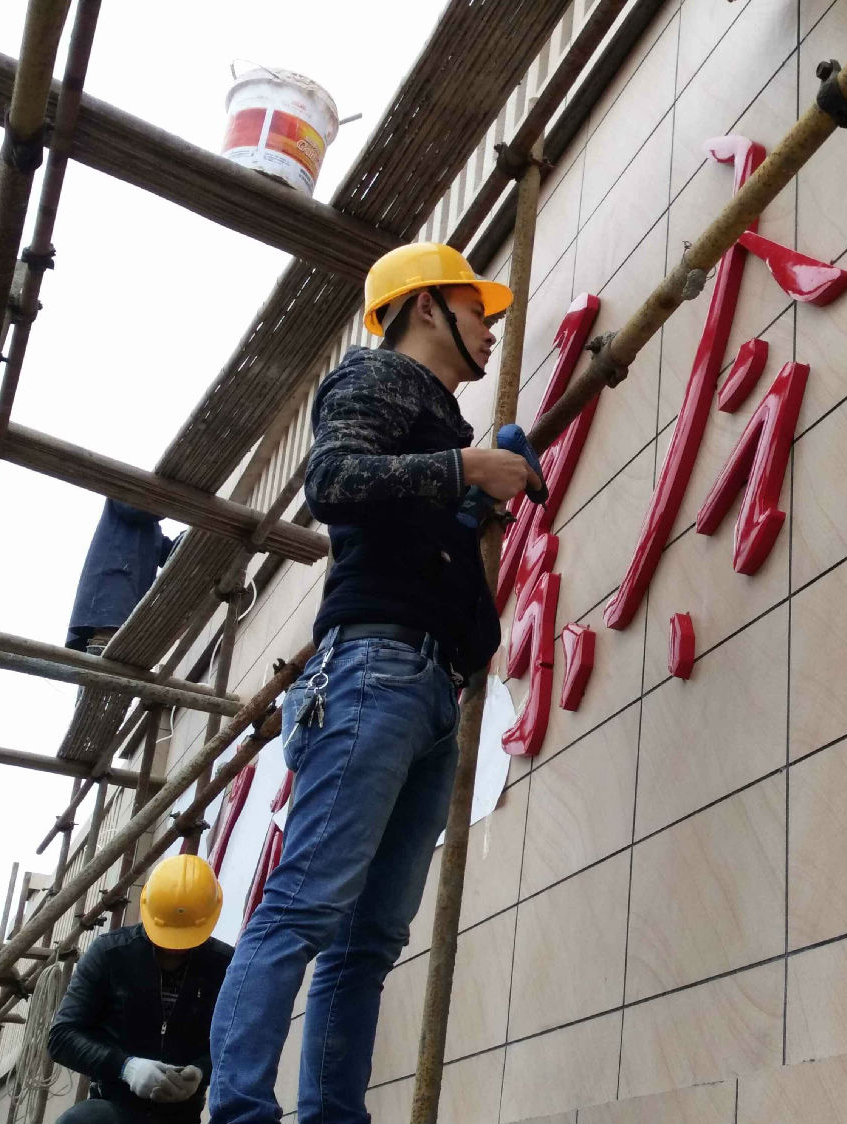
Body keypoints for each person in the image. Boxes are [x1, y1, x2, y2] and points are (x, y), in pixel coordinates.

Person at [207, 243, 540, 1124]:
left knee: (367, 943)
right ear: (427, 307)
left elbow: (407, 518)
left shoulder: (430, 416)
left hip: (428, 688)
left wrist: (472, 495)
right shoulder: (378, 376)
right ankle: (239, 1111)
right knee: (307, 906)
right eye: (480, 311)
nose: (491, 331)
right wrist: (468, 469)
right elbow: (332, 481)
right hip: (375, 670)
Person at [48, 855, 232, 1123]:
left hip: (182, 1115)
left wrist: (201, 1071)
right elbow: (62, 1036)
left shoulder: (224, 965)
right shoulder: (111, 954)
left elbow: (236, 1040)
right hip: (113, 1107)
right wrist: (126, 1067)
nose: (175, 946)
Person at [65, 500, 177, 654]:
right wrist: (175, 503)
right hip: (111, 597)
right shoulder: (126, 494)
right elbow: (132, 507)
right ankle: (105, 643)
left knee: (119, 642)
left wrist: (193, 536)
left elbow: (168, 553)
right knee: (110, 642)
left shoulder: (150, 529)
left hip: (125, 607)